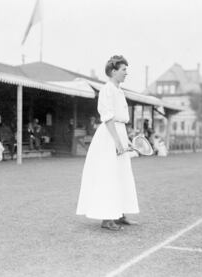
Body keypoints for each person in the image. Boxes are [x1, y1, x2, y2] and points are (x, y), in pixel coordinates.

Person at [76, 55, 139, 231]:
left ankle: (119, 215)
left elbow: (120, 120)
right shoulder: (107, 89)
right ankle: (107, 219)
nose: (126, 72)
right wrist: (117, 142)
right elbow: (108, 118)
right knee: (108, 175)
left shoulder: (119, 91)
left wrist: (124, 141)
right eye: (123, 69)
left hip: (119, 133)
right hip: (109, 137)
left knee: (122, 174)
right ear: (113, 71)